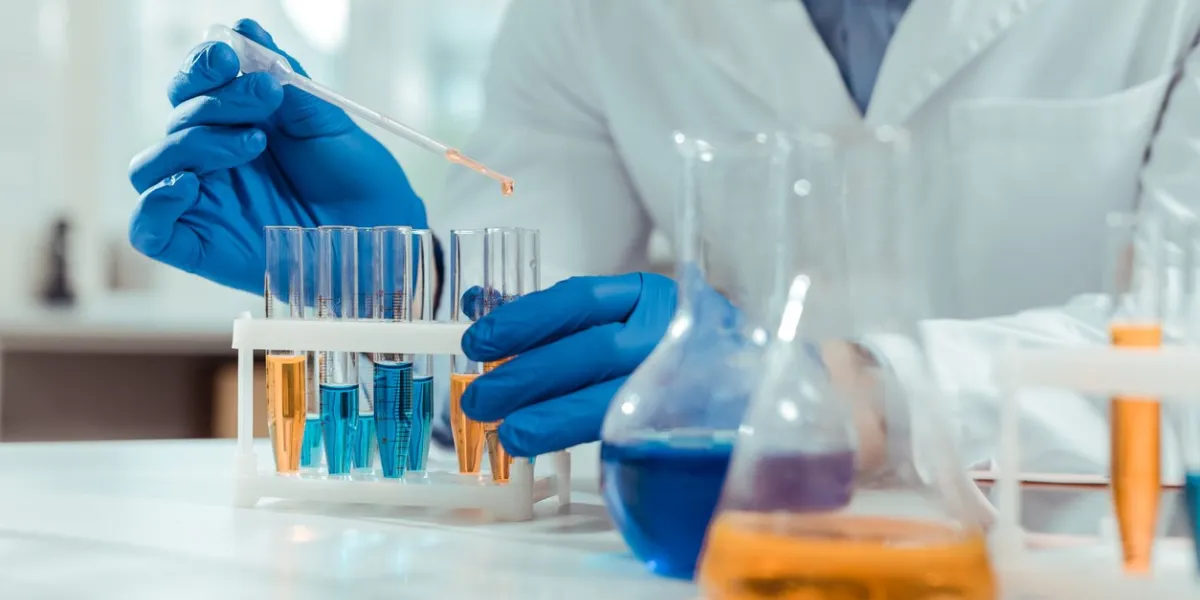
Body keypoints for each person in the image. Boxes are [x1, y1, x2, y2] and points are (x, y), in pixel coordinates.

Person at [129, 2, 1200, 477]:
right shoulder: (594, 12)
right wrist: (395, 287)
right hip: (718, 554)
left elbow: (1185, 346)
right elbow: (525, 287)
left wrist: (840, 396)